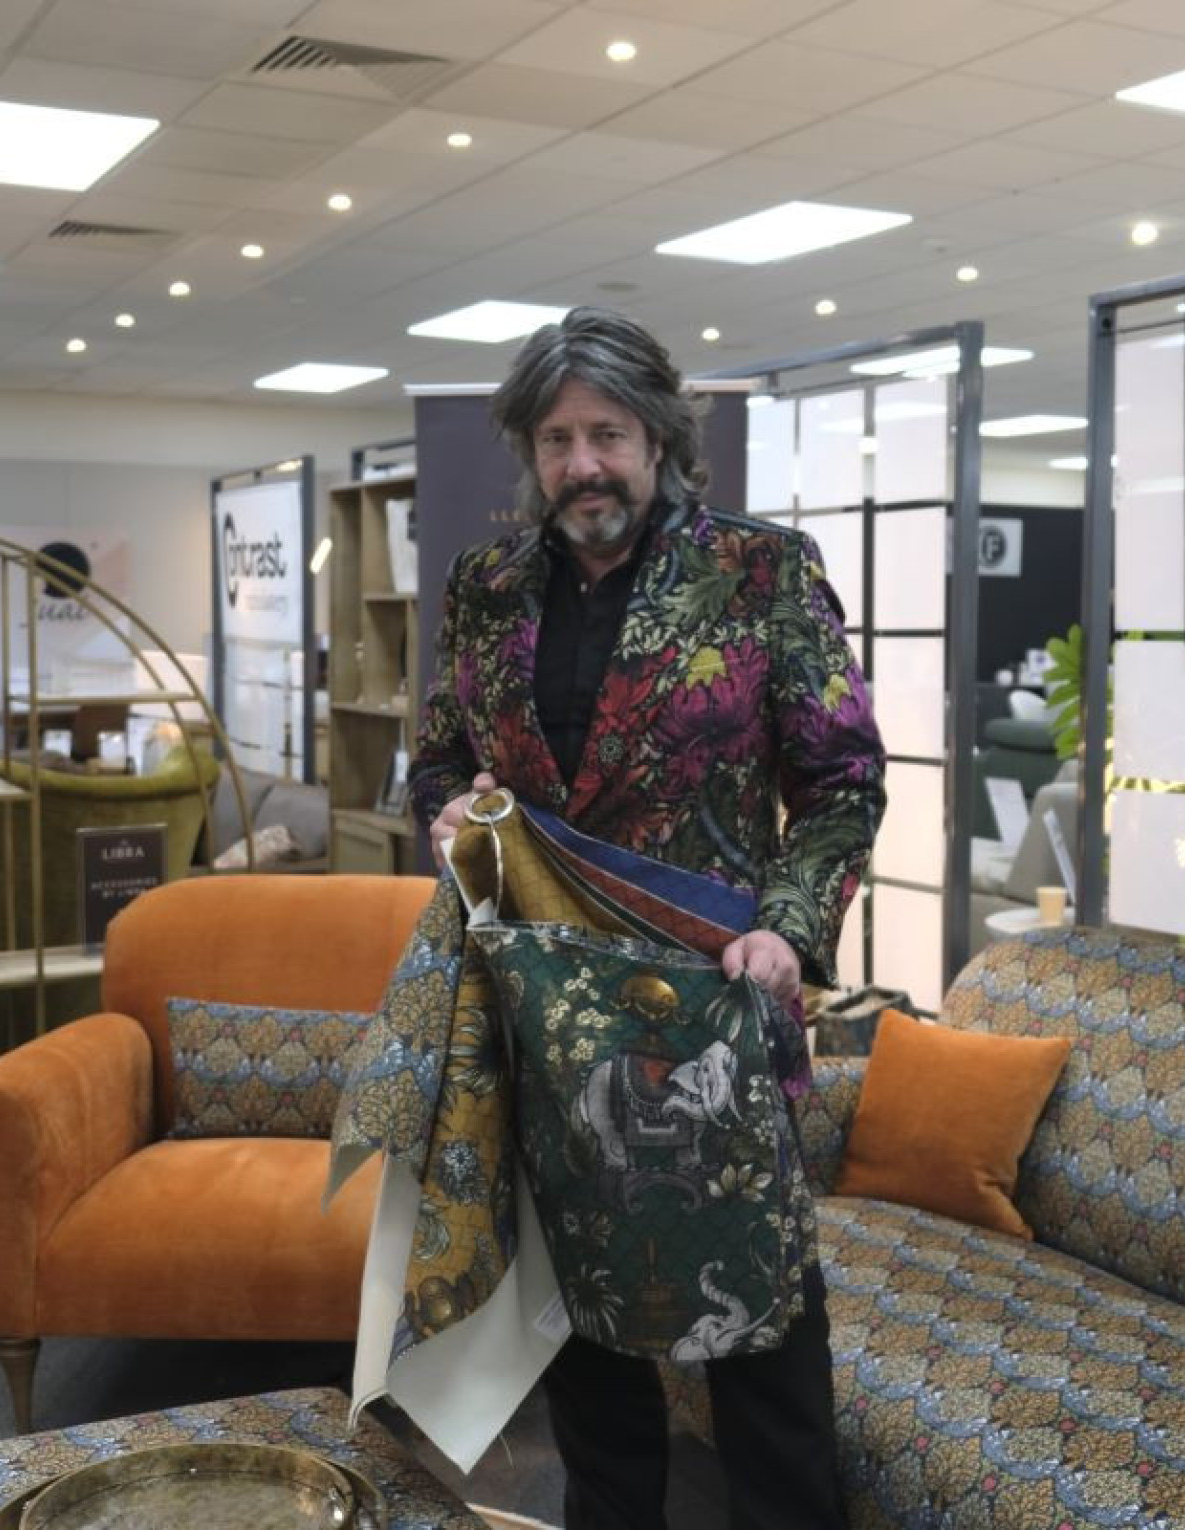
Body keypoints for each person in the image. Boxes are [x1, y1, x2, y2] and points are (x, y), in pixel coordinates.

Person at [410, 306, 885, 1529]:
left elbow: (841, 783)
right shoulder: (483, 588)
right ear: (529, 449)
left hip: (715, 1005)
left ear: (661, 437)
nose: (582, 466)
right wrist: (445, 818)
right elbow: (437, 761)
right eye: (558, 438)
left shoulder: (760, 571)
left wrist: (791, 924)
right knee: (585, 1331)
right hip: (548, 1018)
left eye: (607, 434)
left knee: (762, 1333)